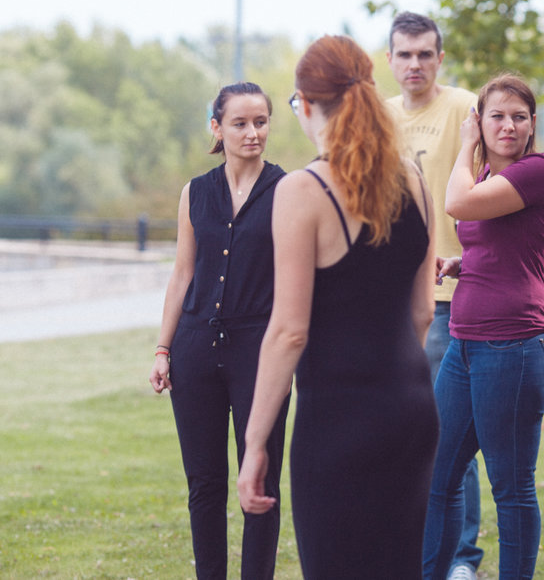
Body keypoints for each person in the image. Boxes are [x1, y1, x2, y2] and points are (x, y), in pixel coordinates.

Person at [236, 35, 439, 578]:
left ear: (305, 103)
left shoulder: (302, 190)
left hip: (340, 418)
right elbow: (422, 312)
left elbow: (289, 332)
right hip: (412, 408)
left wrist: (255, 442)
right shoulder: (414, 180)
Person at [422, 73, 544, 580]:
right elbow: (504, 245)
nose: (508, 126)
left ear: (532, 125)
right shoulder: (485, 178)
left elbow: (456, 204)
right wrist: (463, 264)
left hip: (514, 348)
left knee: (511, 486)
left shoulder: (538, 171)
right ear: (481, 119)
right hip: (464, 345)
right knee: (438, 474)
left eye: (519, 117)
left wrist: (465, 145)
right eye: (496, 116)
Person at [149, 81, 289, 580]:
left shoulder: (288, 190)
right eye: (240, 123)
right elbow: (182, 274)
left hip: (261, 354)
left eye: (261, 122)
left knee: (261, 484)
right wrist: (163, 348)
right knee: (204, 484)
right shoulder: (195, 192)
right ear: (216, 127)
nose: (253, 133)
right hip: (195, 350)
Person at [385, 11, 484, 580]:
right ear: (390, 59)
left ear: (440, 58)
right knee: (397, 429)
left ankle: (461, 559)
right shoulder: (379, 118)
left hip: (449, 296)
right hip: (389, 301)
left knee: (449, 428)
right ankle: (409, 545)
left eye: (425, 53)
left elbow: (496, 188)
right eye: (404, 54)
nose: (415, 64)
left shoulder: (466, 109)